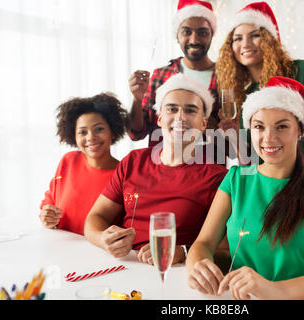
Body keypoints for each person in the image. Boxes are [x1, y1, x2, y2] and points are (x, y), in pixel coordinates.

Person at [186, 76, 304, 300]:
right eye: (259, 127)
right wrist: (197, 266)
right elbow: (203, 244)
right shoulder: (235, 179)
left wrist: (272, 290)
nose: (268, 138)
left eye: (282, 126)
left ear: (299, 131)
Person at [84, 74, 228, 265]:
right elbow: (95, 217)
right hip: (124, 267)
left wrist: (183, 252)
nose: (180, 117)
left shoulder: (218, 178)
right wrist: (103, 238)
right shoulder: (133, 162)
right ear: (160, 118)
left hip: (175, 274)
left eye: (190, 110)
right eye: (172, 109)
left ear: (203, 123)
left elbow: (228, 249)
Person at [215, 1, 304, 172]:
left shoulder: (301, 71)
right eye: (237, 38)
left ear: (269, 39)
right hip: (266, 189)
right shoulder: (242, 96)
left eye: (254, 35)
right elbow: (250, 164)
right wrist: (233, 137)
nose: (245, 44)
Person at [128, 0, 220, 147]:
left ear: (211, 35)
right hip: (162, 165)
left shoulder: (225, 78)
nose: (194, 39)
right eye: (186, 32)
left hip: (207, 165)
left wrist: (217, 130)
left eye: (202, 32)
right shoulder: (160, 76)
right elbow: (136, 133)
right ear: (177, 36)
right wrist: (137, 99)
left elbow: (231, 142)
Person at [39, 93, 128, 235]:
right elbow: (50, 201)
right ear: (74, 136)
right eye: (82, 132)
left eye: (99, 129)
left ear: (112, 131)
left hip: (101, 254)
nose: (91, 137)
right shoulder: (68, 161)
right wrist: (47, 216)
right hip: (61, 249)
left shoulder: (124, 174)